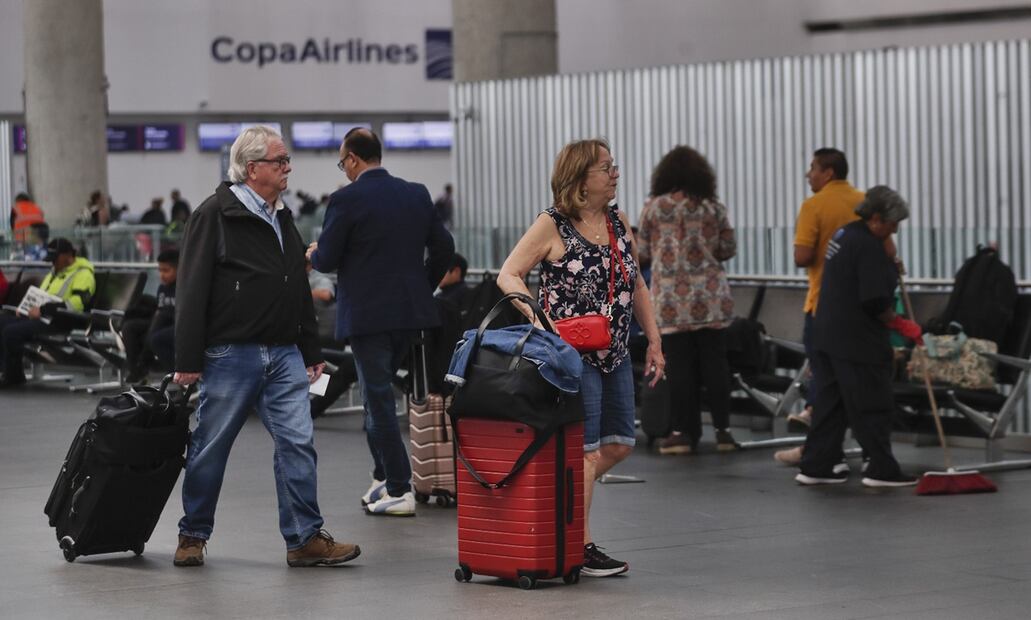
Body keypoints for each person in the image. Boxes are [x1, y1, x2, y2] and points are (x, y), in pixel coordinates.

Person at [172, 125, 359, 567]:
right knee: (211, 445)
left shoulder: (283, 217)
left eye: (287, 160)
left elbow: (295, 287)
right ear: (252, 169)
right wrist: (187, 359)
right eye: (280, 161)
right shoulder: (213, 214)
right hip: (229, 353)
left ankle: (304, 538)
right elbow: (192, 289)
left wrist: (311, 350)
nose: (288, 168)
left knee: (298, 442)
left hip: (283, 353)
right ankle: (192, 534)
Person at [497, 138, 664, 578]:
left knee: (618, 444)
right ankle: (578, 544)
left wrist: (655, 339)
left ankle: (562, 509)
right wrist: (537, 319)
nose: (615, 174)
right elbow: (509, 273)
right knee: (587, 451)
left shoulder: (618, 221)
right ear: (580, 179)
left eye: (614, 166)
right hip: (571, 357)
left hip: (615, 352)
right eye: (606, 168)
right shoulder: (552, 223)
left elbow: (638, 286)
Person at [307, 128, 454, 517]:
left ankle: (400, 488)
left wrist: (314, 252)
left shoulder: (345, 199)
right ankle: (381, 476)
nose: (344, 169)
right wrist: (422, 288)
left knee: (379, 402)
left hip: (368, 317)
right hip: (410, 315)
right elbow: (445, 250)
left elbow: (328, 259)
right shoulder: (416, 193)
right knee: (378, 399)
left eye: (343, 162)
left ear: (353, 159)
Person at [775, 149, 895, 466]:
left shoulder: (814, 205)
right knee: (862, 387)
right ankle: (872, 454)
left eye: (812, 168)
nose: (808, 174)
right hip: (864, 312)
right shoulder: (864, 203)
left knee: (827, 387)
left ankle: (826, 455)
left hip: (824, 307)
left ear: (828, 172)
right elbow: (888, 249)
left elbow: (801, 257)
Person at [796, 186, 921, 488]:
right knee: (872, 403)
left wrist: (888, 262)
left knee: (830, 404)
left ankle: (818, 465)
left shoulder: (845, 235)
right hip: (856, 341)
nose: (896, 229)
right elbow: (875, 300)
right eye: (893, 223)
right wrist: (903, 326)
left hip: (827, 334)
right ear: (876, 218)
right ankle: (881, 469)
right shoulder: (867, 247)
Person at [637, 146, 738, 454]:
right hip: (710, 299)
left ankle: (683, 433)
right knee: (715, 367)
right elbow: (727, 248)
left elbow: (642, 253)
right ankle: (724, 432)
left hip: (670, 301)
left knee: (680, 370)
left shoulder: (653, 208)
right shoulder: (712, 207)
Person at [0, 238, 96, 388]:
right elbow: (41, 295)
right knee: (2, 321)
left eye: (55, 258)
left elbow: (77, 304)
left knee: (11, 332)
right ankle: (5, 371)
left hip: (63, 320)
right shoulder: (55, 272)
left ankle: (14, 376)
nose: (53, 263)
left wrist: (44, 310)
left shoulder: (83, 274)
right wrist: (26, 309)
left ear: (68, 255)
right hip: (44, 318)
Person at [123, 249, 178, 384]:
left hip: (178, 325)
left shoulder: (185, 287)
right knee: (130, 327)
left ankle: (176, 378)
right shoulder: (163, 288)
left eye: (166, 270)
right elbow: (160, 311)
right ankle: (136, 369)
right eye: (160, 270)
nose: (162, 275)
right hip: (162, 323)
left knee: (155, 335)